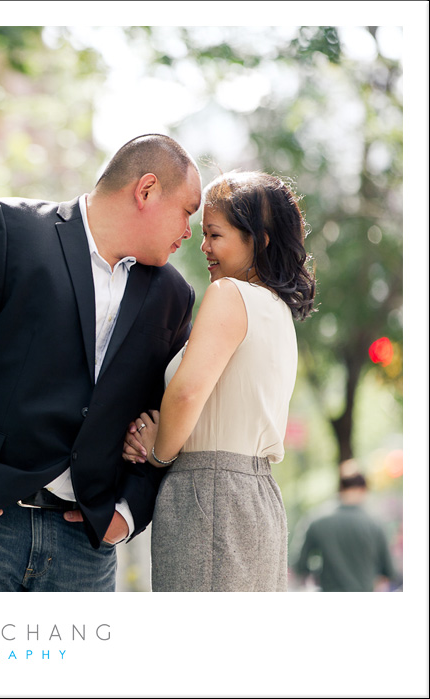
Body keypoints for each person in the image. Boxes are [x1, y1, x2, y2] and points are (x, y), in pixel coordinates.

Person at [0, 134, 201, 591]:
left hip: (84, 546)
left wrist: (126, 514)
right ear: (146, 190)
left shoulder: (173, 296)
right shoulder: (12, 228)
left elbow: (163, 414)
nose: (189, 230)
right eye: (187, 211)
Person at [123, 170, 316, 591]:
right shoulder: (277, 310)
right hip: (257, 496)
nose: (204, 245)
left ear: (259, 239)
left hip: (209, 494)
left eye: (215, 234)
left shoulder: (230, 294)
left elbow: (188, 391)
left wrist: (157, 452)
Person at [294, 468, 396, 591]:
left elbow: (300, 565)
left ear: (340, 489)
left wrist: (321, 572)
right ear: (363, 489)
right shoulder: (376, 524)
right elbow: (389, 570)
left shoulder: (317, 521)